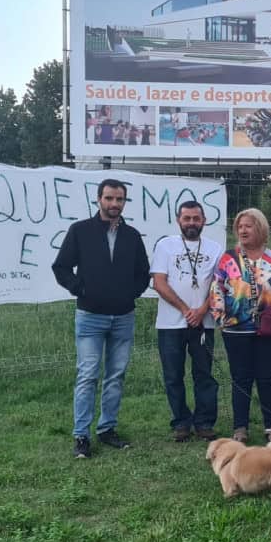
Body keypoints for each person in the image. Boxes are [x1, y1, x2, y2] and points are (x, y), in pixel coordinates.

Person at [51, 178, 151, 459]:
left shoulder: (132, 236)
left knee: (116, 376)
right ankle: (81, 435)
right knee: (87, 375)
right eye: (109, 198)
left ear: (124, 202)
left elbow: (143, 272)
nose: (114, 204)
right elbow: (60, 267)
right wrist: (79, 288)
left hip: (123, 317)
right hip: (90, 316)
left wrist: (129, 293)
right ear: (98, 200)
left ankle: (107, 429)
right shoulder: (80, 231)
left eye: (119, 199)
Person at [211, 208, 271, 443]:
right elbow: (217, 287)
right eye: (240, 226)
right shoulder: (228, 258)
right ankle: (240, 428)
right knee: (241, 378)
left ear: (261, 228)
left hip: (270, 329)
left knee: (267, 377)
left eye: (248, 225)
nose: (243, 230)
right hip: (236, 329)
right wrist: (220, 318)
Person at [150, 200, 220, 443]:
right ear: (178, 220)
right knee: (173, 375)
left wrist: (201, 310)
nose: (191, 223)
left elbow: (218, 285)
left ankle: (204, 423)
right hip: (171, 323)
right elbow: (159, 282)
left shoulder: (215, 248)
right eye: (187, 218)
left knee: (204, 375)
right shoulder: (165, 246)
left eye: (196, 218)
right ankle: (181, 422)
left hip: (204, 322)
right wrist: (184, 309)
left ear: (204, 220)